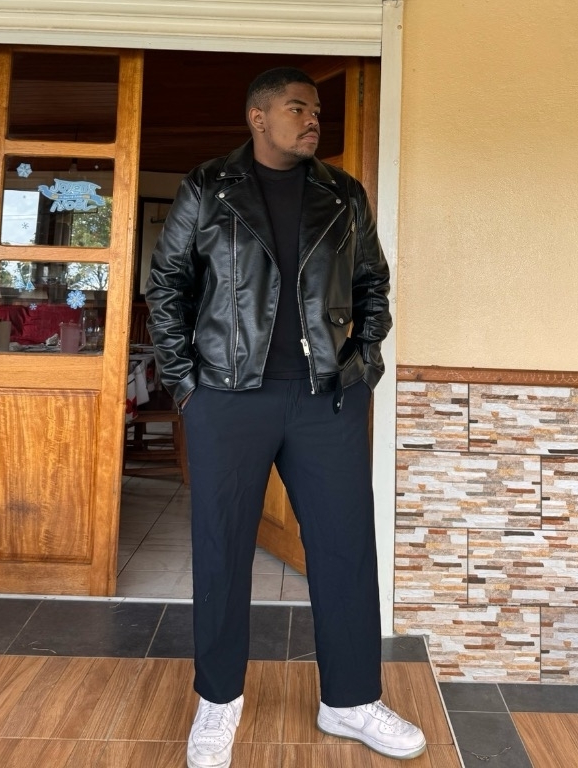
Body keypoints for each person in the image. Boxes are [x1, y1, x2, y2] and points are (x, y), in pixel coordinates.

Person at [146, 67, 426, 767]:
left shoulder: (343, 193)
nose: (312, 120)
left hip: (326, 400)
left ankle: (350, 701)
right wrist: (186, 385)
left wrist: (362, 365)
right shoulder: (208, 187)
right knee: (221, 550)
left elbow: (372, 284)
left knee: (344, 548)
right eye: (298, 108)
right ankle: (218, 701)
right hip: (226, 398)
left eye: (317, 110)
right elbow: (168, 285)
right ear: (258, 117)